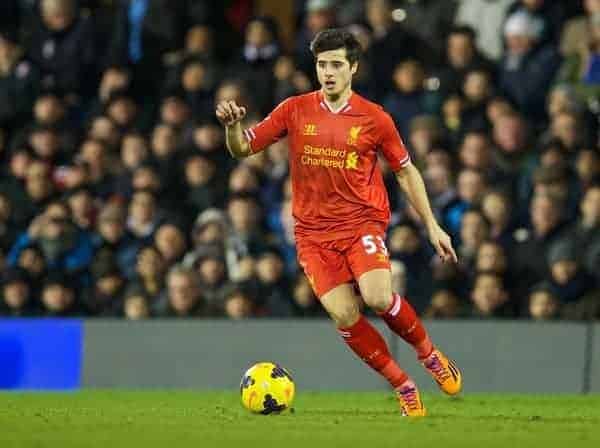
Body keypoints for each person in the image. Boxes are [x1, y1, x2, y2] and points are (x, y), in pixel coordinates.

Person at [215, 28, 461, 417]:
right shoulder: (294, 109)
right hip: (312, 234)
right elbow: (243, 148)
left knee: (379, 296)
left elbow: (406, 171)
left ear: (353, 68)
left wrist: (432, 225)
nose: (327, 72)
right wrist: (231, 128)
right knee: (345, 315)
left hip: (360, 223)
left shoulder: (375, 118)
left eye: (335, 65)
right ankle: (403, 385)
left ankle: (429, 355)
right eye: (321, 64)